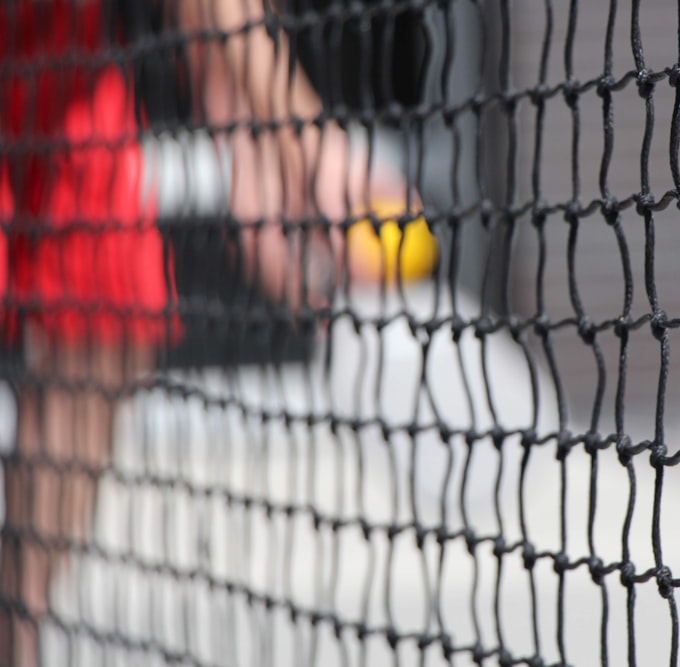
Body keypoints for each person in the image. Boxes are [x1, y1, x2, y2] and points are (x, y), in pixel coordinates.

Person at [0, 1, 431, 663]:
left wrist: (254, 133)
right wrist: (304, 134)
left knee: (107, 317)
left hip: (64, 58)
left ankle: (15, 624)